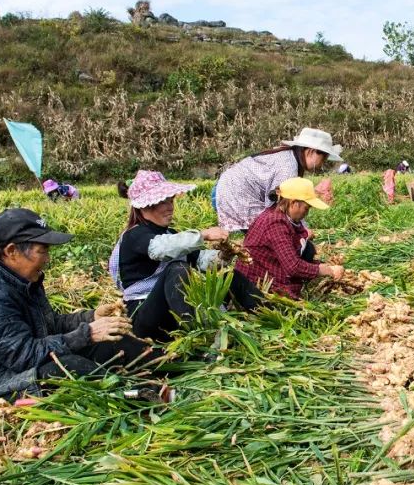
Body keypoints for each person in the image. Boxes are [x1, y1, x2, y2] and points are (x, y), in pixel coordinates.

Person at [0, 208, 156, 403]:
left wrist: (91, 317)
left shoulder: (21, 279)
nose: (47, 259)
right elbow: (22, 356)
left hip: (25, 358)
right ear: (11, 251)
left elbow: (49, 324)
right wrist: (87, 334)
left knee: (115, 341)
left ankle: (168, 364)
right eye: (42, 251)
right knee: (69, 366)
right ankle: (138, 395)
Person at [109, 170, 229, 341]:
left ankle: (258, 312)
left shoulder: (171, 233)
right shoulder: (135, 235)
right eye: (163, 201)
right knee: (177, 268)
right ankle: (198, 336)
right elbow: (160, 248)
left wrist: (225, 254)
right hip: (143, 314)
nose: (170, 207)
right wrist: (203, 235)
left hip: (170, 310)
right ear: (145, 206)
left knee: (229, 275)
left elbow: (201, 260)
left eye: (171, 200)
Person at [231, 177, 344, 306]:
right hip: (255, 287)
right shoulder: (275, 223)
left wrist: (318, 265)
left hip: (268, 272)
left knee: (308, 249)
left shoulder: (283, 217)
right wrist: (325, 270)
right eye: (306, 208)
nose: (307, 213)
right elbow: (293, 267)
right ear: (294, 203)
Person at [213, 127, 343, 232]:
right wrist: (303, 230)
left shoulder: (291, 158)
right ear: (311, 151)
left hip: (228, 187)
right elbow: (280, 207)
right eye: (323, 158)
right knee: (271, 233)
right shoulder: (288, 166)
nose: (323, 163)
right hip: (235, 192)